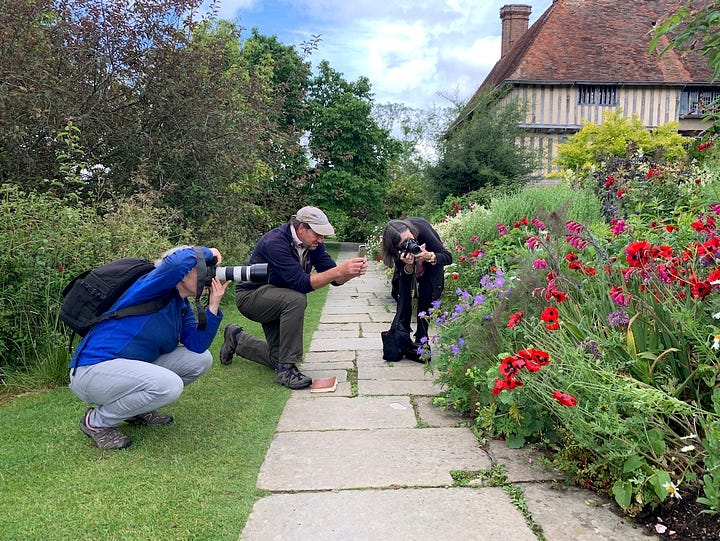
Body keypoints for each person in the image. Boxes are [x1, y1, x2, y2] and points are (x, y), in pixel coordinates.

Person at [68, 245, 231, 450]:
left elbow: (198, 345)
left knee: (201, 360)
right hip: (92, 369)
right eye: (202, 269)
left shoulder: (181, 307)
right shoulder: (151, 287)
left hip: (125, 368)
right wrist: (211, 251)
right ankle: (96, 422)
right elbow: (178, 260)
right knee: (169, 385)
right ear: (182, 274)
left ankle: (135, 411)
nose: (208, 275)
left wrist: (213, 306)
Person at [220, 206, 367, 389]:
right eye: (317, 234)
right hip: (251, 297)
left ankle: (237, 338)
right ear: (301, 227)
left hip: (279, 298)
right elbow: (301, 283)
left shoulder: (313, 245)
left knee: (277, 358)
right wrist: (339, 270)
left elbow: (334, 278)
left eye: (323, 235)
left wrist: (350, 272)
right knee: (296, 298)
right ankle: (287, 371)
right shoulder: (274, 242)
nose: (321, 240)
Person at [381, 218, 452, 362]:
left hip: (432, 265)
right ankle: (402, 336)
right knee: (402, 299)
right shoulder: (397, 251)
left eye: (411, 239)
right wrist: (408, 265)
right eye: (404, 243)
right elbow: (404, 280)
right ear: (396, 247)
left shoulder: (422, 230)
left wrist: (428, 256)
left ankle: (421, 340)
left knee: (428, 295)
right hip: (408, 266)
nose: (410, 243)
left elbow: (448, 257)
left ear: (412, 232)